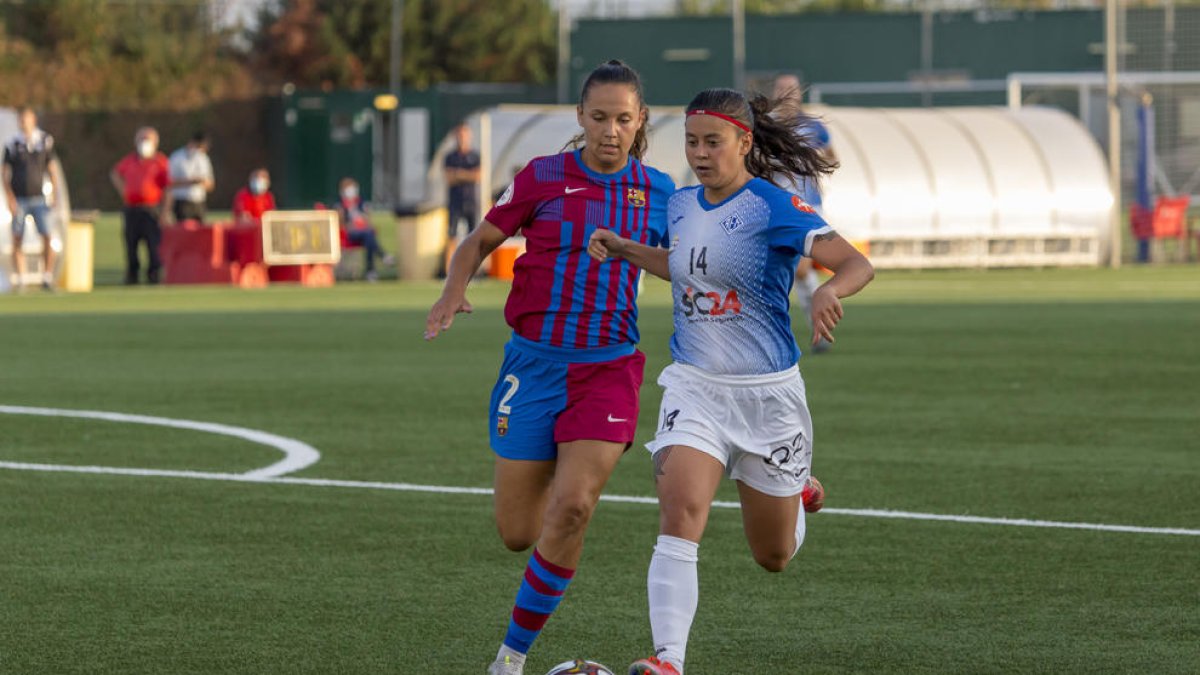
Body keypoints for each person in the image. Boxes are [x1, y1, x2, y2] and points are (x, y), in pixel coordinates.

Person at [588, 86, 874, 675]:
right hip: (694, 387)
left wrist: (826, 288)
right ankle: (669, 659)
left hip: (768, 400)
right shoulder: (682, 205)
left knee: (772, 556)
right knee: (679, 511)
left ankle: (796, 493)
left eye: (712, 142)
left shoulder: (773, 207)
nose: (699, 153)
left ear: (743, 143)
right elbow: (685, 265)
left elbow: (856, 263)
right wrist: (624, 249)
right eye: (691, 141)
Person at [424, 60, 675, 675]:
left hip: (609, 369)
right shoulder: (541, 178)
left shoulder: (664, 193)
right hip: (533, 367)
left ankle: (510, 657)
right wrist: (453, 288)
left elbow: (690, 262)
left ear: (640, 120)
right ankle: (549, 563)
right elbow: (479, 240)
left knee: (572, 508)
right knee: (517, 531)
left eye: (622, 118)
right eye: (598, 117)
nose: (610, 130)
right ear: (579, 118)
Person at [774, 73, 837, 353]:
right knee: (791, 272)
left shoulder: (813, 127)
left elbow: (831, 157)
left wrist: (809, 158)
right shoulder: (767, 127)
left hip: (807, 205)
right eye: (782, 89)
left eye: (792, 89)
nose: (787, 94)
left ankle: (819, 328)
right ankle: (816, 327)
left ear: (800, 93)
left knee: (799, 269)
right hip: (774, 205)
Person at [3, 106, 60, 291]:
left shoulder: (44, 140)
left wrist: (55, 194)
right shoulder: (12, 143)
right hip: (19, 199)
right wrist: (10, 198)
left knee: (47, 236)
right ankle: (20, 280)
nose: (23, 122)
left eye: (26, 118)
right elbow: (4, 174)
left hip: (40, 199)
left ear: (33, 119)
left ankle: (47, 277)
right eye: (21, 119)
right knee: (17, 238)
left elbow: (52, 170)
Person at [110, 127, 170, 285]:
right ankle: (132, 275)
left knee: (153, 244)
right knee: (131, 243)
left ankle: (154, 274)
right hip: (132, 209)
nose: (144, 142)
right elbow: (115, 173)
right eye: (141, 138)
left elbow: (168, 187)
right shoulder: (130, 160)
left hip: (151, 209)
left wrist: (165, 211)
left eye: (148, 139)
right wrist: (124, 190)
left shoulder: (160, 162)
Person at [333, 177, 393, 281]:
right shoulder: (340, 204)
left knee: (369, 237)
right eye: (348, 189)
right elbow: (340, 223)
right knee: (369, 235)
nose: (351, 191)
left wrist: (364, 218)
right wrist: (345, 218)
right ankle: (381, 259)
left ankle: (372, 270)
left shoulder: (360, 203)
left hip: (363, 232)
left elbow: (367, 219)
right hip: (348, 234)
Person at [166, 131, 215, 225]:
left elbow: (211, 185)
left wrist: (202, 182)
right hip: (182, 201)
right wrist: (189, 182)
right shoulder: (177, 157)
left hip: (199, 202)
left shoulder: (203, 158)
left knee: (200, 233)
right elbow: (170, 183)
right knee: (184, 232)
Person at [443, 123, 481, 243]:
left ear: (469, 136)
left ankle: (472, 262)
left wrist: (458, 173)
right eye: (459, 135)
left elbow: (478, 176)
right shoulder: (450, 156)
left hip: (471, 201)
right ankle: (450, 262)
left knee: (473, 237)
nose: (462, 138)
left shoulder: (475, 156)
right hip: (455, 202)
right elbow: (449, 178)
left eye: (464, 135)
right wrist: (468, 174)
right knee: (451, 236)